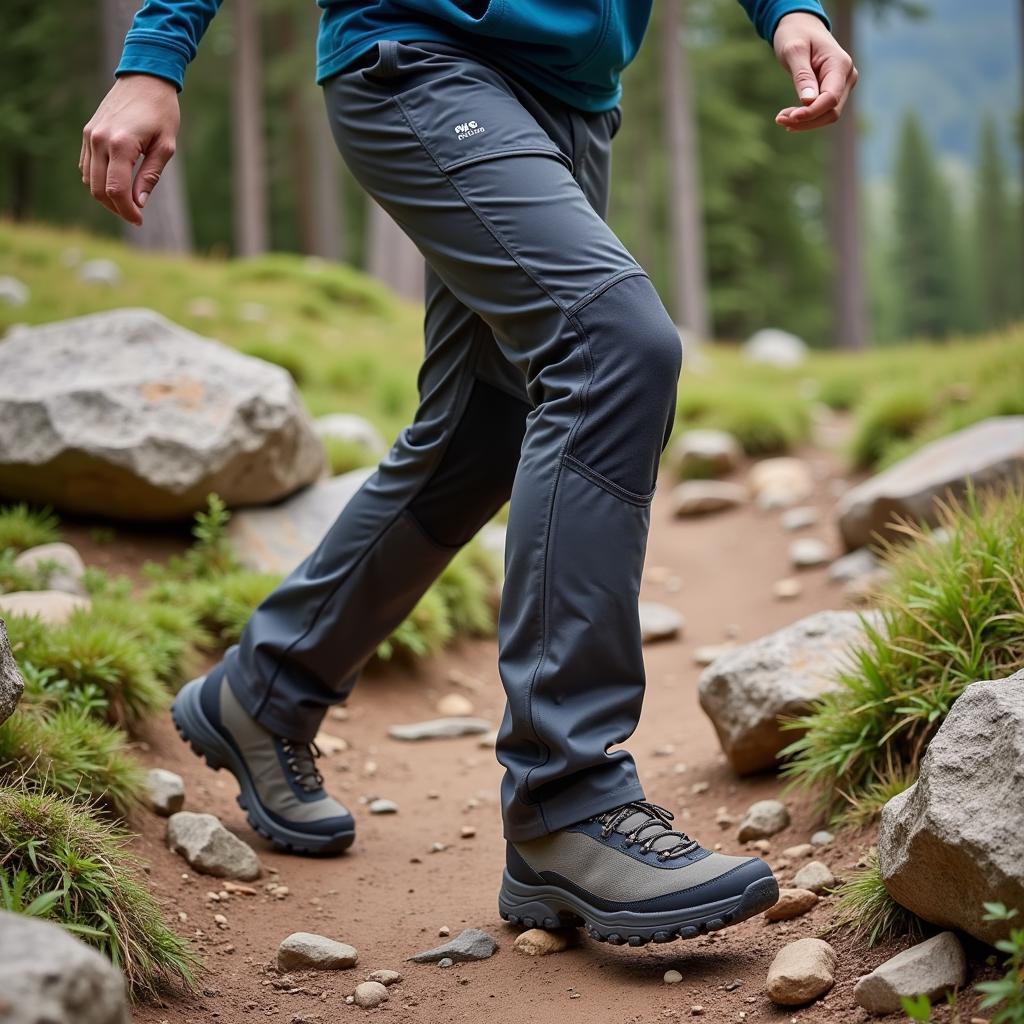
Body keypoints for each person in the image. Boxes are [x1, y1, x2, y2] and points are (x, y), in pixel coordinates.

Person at [82, 0, 856, 947]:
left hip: (571, 100)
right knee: (610, 344)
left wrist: (788, 9)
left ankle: (270, 687)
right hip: (419, 57)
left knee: (485, 429)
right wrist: (154, 55)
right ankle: (565, 799)